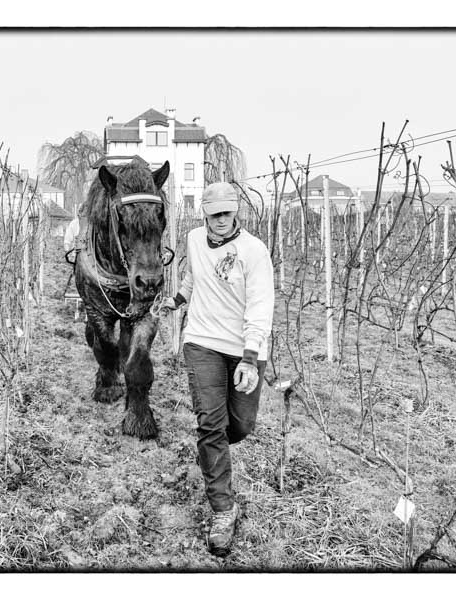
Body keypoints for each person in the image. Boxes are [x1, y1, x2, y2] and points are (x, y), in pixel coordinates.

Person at [159, 181, 274, 557]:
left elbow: (260, 306)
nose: (221, 221)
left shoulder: (254, 251)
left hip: (243, 348)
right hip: (201, 342)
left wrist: (250, 358)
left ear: (236, 211)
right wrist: (177, 300)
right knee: (211, 423)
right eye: (214, 215)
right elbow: (194, 277)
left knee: (238, 426)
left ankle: (213, 453)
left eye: (226, 213)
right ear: (204, 215)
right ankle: (223, 509)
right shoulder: (193, 239)